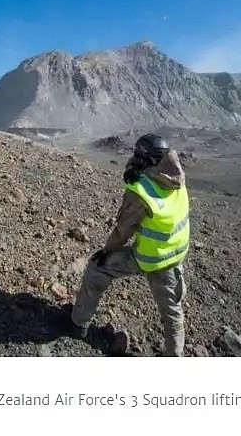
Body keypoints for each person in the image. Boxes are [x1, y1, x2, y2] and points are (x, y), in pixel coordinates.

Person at [69, 133, 190, 356]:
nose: (133, 158)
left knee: (97, 269)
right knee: (172, 312)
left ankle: (78, 325)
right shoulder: (176, 178)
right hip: (176, 255)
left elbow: (123, 231)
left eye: (137, 154)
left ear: (146, 159)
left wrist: (106, 251)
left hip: (151, 258)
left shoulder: (142, 192)